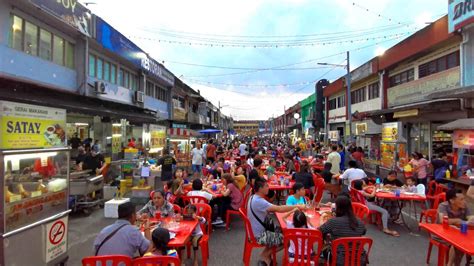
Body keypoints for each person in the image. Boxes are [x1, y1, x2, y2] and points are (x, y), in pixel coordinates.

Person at [248, 179, 305, 266]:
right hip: (260, 235)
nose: (268, 187)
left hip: (256, 231)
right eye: (266, 186)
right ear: (260, 188)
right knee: (289, 239)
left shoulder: (253, 197)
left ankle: (267, 256)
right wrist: (297, 206)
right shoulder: (259, 201)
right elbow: (279, 209)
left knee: (284, 231)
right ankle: (265, 255)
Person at [318, 195, 367, 265]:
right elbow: (363, 231)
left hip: (340, 259)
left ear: (338, 208)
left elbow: (319, 231)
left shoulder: (333, 222)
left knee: (325, 245)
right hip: (359, 259)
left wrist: (322, 217)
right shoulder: (359, 222)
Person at [437, 189, 474, 266]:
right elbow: (443, 220)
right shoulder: (443, 206)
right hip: (441, 233)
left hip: (457, 233)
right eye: (461, 199)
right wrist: (458, 220)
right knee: (458, 244)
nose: (464, 201)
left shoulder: (464, 206)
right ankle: (450, 264)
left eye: (464, 199)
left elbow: (471, 218)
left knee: (461, 242)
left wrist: (469, 221)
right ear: (452, 200)